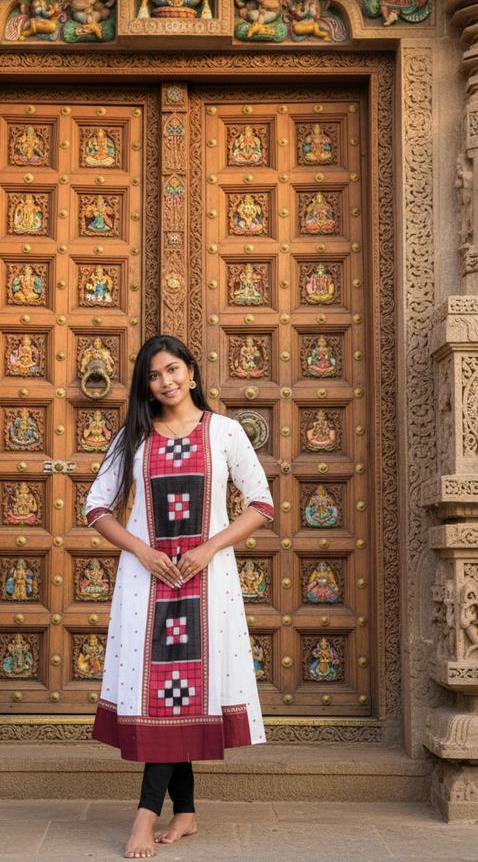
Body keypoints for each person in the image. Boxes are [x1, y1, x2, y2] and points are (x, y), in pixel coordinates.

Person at [86, 335, 273, 859]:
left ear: (191, 371)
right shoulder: (133, 439)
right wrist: (143, 553)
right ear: (145, 385)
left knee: (178, 694)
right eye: (153, 375)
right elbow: (96, 507)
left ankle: (150, 818)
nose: (165, 382)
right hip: (148, 587)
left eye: (172, 370)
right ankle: (181, 812)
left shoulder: (225, 433)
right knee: (163, 695)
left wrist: (209, 548)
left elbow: (262, 503)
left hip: (204, 584)